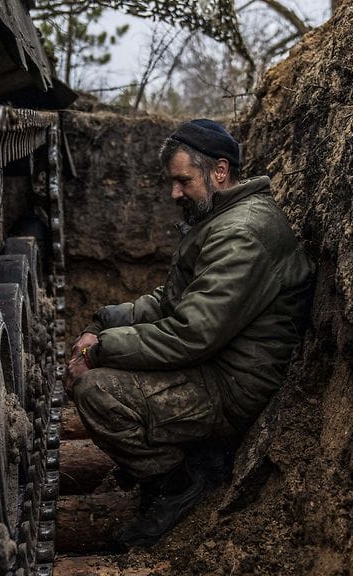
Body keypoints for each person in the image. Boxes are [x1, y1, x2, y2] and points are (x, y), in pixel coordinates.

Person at [65, 118, 315, 546]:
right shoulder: (221, 217)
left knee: (96, 390)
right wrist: (106, 320)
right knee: (102, 366)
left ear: (220, 171)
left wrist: (101, 351)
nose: (174, 193)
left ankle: (179, 483)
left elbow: (190, 334)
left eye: (183, 180)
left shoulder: (241, 234)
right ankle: (170, 458)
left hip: (233, 385)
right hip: (215, 363)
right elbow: (171, 302)